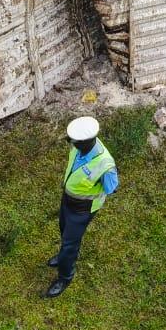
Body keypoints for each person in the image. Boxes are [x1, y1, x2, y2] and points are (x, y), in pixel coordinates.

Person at [48, 116, 118, 297]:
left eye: (75, 142)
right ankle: (64, 255)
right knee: (64, 230)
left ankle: (65, 276)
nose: (72, 144)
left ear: (87, 142)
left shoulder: (105, 163)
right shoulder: (79, 146)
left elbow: (111, 188)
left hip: (82, 209)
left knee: (70, 243)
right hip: (67, 200)